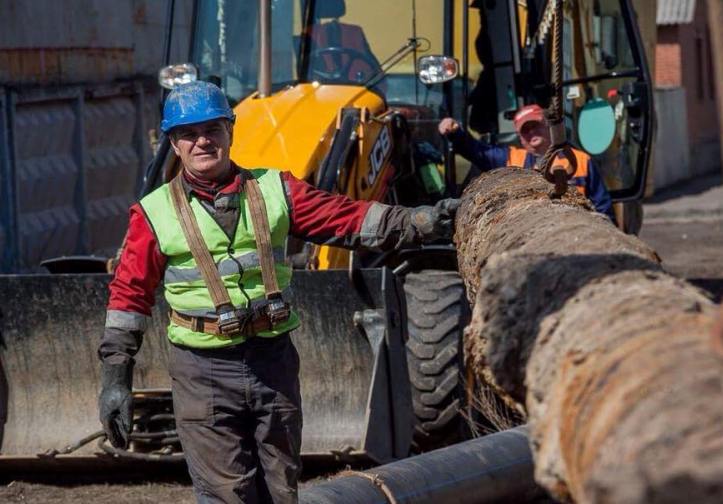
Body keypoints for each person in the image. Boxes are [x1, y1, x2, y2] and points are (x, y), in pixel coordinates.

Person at [98, 81, 459, 504]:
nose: (202, 141)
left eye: (212, 129)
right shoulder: (154, 213)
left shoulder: (275, 190)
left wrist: (416, 222)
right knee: (226, 495)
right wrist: (115, 379)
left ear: (230, 131)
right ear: (174, 143)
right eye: (188, 134)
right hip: (203, 370)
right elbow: (128, 297)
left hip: (273, 362)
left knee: (280, 489)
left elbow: (345, 217)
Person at [438, 104, 614, 220]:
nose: (531, 133)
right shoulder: (511, 159)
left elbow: (603, 205)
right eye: (525, 130)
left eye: (535, 126)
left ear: (548, 125)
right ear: (520, 137)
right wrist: (456, 133)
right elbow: (477, 151)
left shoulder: (580, 161)